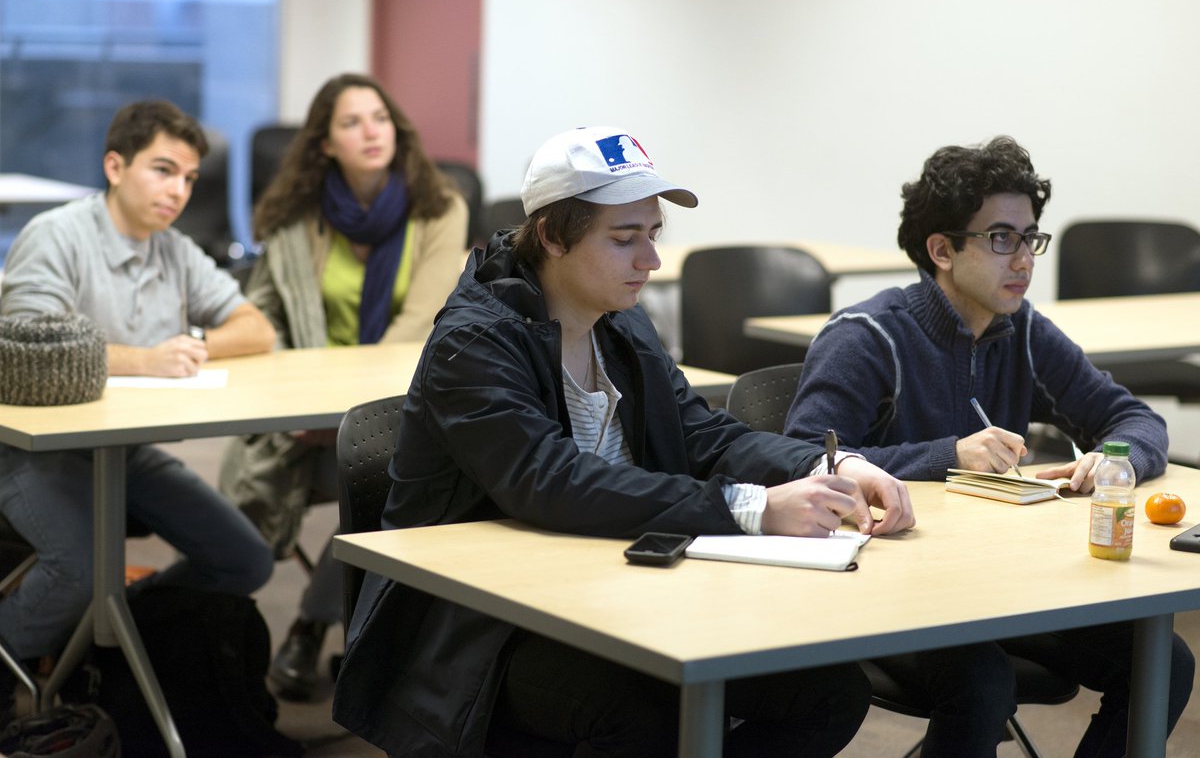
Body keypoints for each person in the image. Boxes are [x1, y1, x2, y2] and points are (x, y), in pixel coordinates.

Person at [332, 125, 916, 757]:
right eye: (623, 238)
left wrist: (833, 464)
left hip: (616, 587)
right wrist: (752, 508)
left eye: (653, 234)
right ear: (551, 236)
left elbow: (701, 434)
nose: (651, 260)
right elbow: (552, 483)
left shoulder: (620, 321)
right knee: (645, 716)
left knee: (829, 693)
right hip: (483, 627)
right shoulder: (474, 342)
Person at [784, 135, 1194, 757]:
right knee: (981, 684)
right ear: (942, 250)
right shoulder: (868, 336)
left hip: (998, 587)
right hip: (886, 590)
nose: (1024, 259)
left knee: (1163, 661)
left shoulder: (1019, 329)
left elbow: (1131, 417)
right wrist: (948, 454)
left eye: (1030, 238)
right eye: (1002, 238)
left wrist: (1113, 461)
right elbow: (804, 459)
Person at [0, 99, 276, 714]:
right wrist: (146, 359)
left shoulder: (172, 248)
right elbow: (31, 350)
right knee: (81, 570)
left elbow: (256, 328)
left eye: (189, 178)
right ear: (115, 167)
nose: (178, 191)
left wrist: (196, 342)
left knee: (244, 560)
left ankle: (114, 630)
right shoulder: (56, 235)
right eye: (163, 170)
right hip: (32, 451)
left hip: (123, 449)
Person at [218, 73, 468, 701]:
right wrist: (294, 404)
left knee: (385, 477)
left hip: (395, 411)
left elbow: (422, 325)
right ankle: (219, 644)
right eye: (351, 122)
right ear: (325, 143)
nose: (370, 132)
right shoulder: (294, 219)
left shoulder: (440, 208)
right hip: (302, 417)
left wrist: (347, 417)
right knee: (238, 499)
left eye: (379, 118)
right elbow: (263, 318)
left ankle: (311, 623)